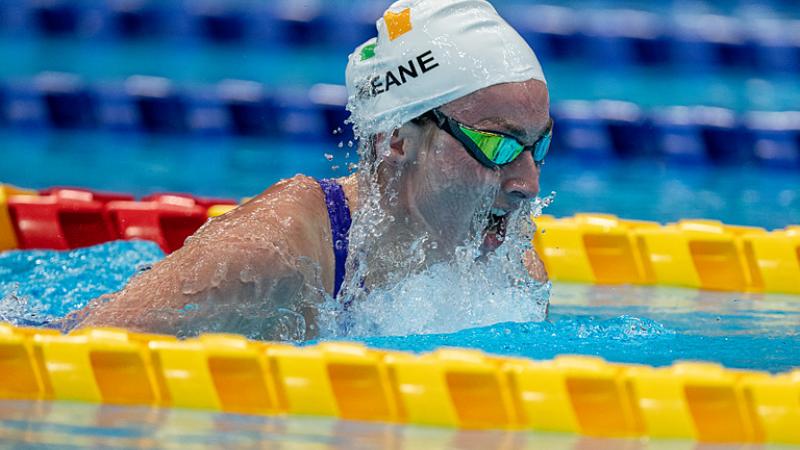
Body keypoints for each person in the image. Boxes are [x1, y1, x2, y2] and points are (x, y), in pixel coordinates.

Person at [74, 0, 552, 340]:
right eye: (498, 144)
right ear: (397, 140)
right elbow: (81, 353)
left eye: (539, 144)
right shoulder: (272, 253)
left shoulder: (516, 275)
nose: (527, 184)